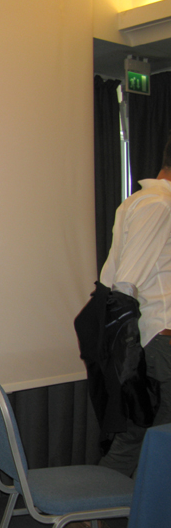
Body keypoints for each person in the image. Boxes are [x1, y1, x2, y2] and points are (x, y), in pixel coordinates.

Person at [98, 134, 171, 477]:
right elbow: (124, 282)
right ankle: (98, 506)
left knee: (137, 439)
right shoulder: (160, 204)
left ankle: (102, 503)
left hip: (148, 342)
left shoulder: (137, 202)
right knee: (153, 441)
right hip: (160, 340)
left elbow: (109, 276)